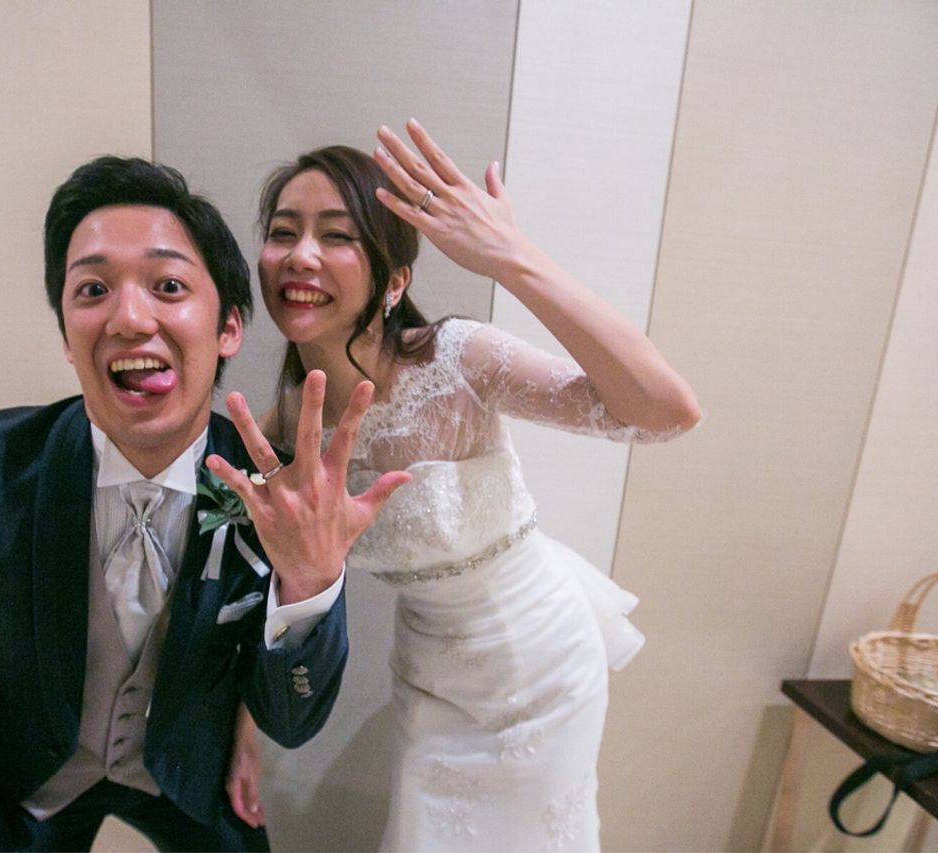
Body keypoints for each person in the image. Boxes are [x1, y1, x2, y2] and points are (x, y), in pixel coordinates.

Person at [0, 156, 409, 852]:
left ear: (229, 327)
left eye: (168, 285)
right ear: (66, 333)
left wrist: (310, 586)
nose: (129, 317)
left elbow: (291, 722)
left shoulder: (276, 493)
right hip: (26, 776)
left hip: (185, 770)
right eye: (93, 289)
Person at [224, 121, 702, 851]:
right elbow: (256, 580)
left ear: (394, 280)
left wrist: (513, 259)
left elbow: (666, 411)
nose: (302, 255)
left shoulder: (456, 361)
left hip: (541, 664)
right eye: (284, 232)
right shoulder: (288, 425)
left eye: (336, 235)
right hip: (429, 676)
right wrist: (245, 733)